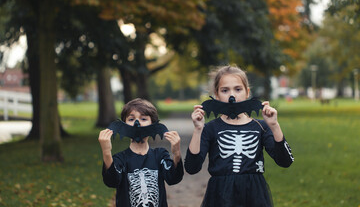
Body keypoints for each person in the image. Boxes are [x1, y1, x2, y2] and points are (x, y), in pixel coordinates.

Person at [185, 65, 294, 207]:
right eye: (225, 90)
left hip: (254, 194)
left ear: (247, 92)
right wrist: (197, 130)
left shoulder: (261, 126)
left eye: (238, 89)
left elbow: (285, 161)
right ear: (216, 95)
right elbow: (191, 168)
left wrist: (275, 126)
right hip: (220, 195)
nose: (232, 95)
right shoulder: (210, 129)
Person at [98, 98, 183, 207]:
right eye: (131, 119)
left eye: (143, 119)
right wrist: (106, 152)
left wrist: (176, 153)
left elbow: (173, 178)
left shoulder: (160, 155)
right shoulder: (120, 159)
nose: (137, 123)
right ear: (124, 125)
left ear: (153, 125)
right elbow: (112, 181)